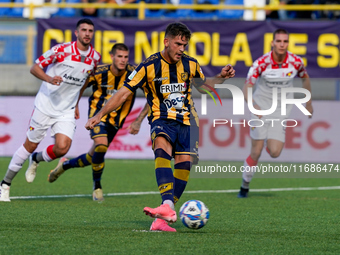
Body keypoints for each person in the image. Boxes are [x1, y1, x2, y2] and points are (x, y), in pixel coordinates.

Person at [85, 22, 235, 231]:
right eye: (178, 44)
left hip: (188, 121)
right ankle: (166, 207)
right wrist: (100, 114)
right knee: (162, 149)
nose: (182, 49)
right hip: (161, 118)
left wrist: (221, 77)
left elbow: (204, 87)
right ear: (166, 42)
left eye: (185, 44)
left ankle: (163, 215)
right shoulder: (148, 65)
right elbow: (123, 92)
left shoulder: (190, 64)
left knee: (185, 163)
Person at [0, 19, 101, 202]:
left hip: (67, 109)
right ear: (76, 33)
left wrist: (77, 103)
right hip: (45, 105)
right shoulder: (61, 50)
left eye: (90, 31)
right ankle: (5, 184)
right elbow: (35, 67)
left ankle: (37, 159)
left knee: (63, 148)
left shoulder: (95, 57)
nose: (87, 33)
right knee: (29, 145)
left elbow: (86, 79)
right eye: (84, 30)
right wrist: (48, 78)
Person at [47, 43, 149, 202]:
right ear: (112, 56)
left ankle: (64, 165)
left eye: (126, 57)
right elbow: (79, 85)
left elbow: (153, 96)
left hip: (116, 122)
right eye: (119, 56)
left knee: (92, 157)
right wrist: (74, 105)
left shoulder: (134, 74)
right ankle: (97, 187)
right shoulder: (99, 71)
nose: (123, 60)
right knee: (101, 145)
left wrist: (139, 120)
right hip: (97, 117)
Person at [237, 28, 313, 198]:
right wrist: (255, 106)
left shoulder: (296, 62)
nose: (282, 44)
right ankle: (244, 186)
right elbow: (246, 88)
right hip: (261, 109)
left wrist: (308, 102)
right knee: (256, 152)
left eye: (285, 41)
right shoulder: (261, 62)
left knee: (275, 152)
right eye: (278, 41)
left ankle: (268, 139)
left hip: (280, 110)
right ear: (272, 43)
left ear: (288, 43)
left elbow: (305, 78)